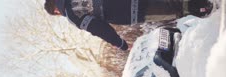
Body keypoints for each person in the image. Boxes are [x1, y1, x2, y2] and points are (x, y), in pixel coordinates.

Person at [44, 0, 213, 50]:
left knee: (171, 10)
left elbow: (100, 29)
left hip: (130, 10)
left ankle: (207, 7)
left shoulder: (73, 15)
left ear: (57, 11)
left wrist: (121, 44)